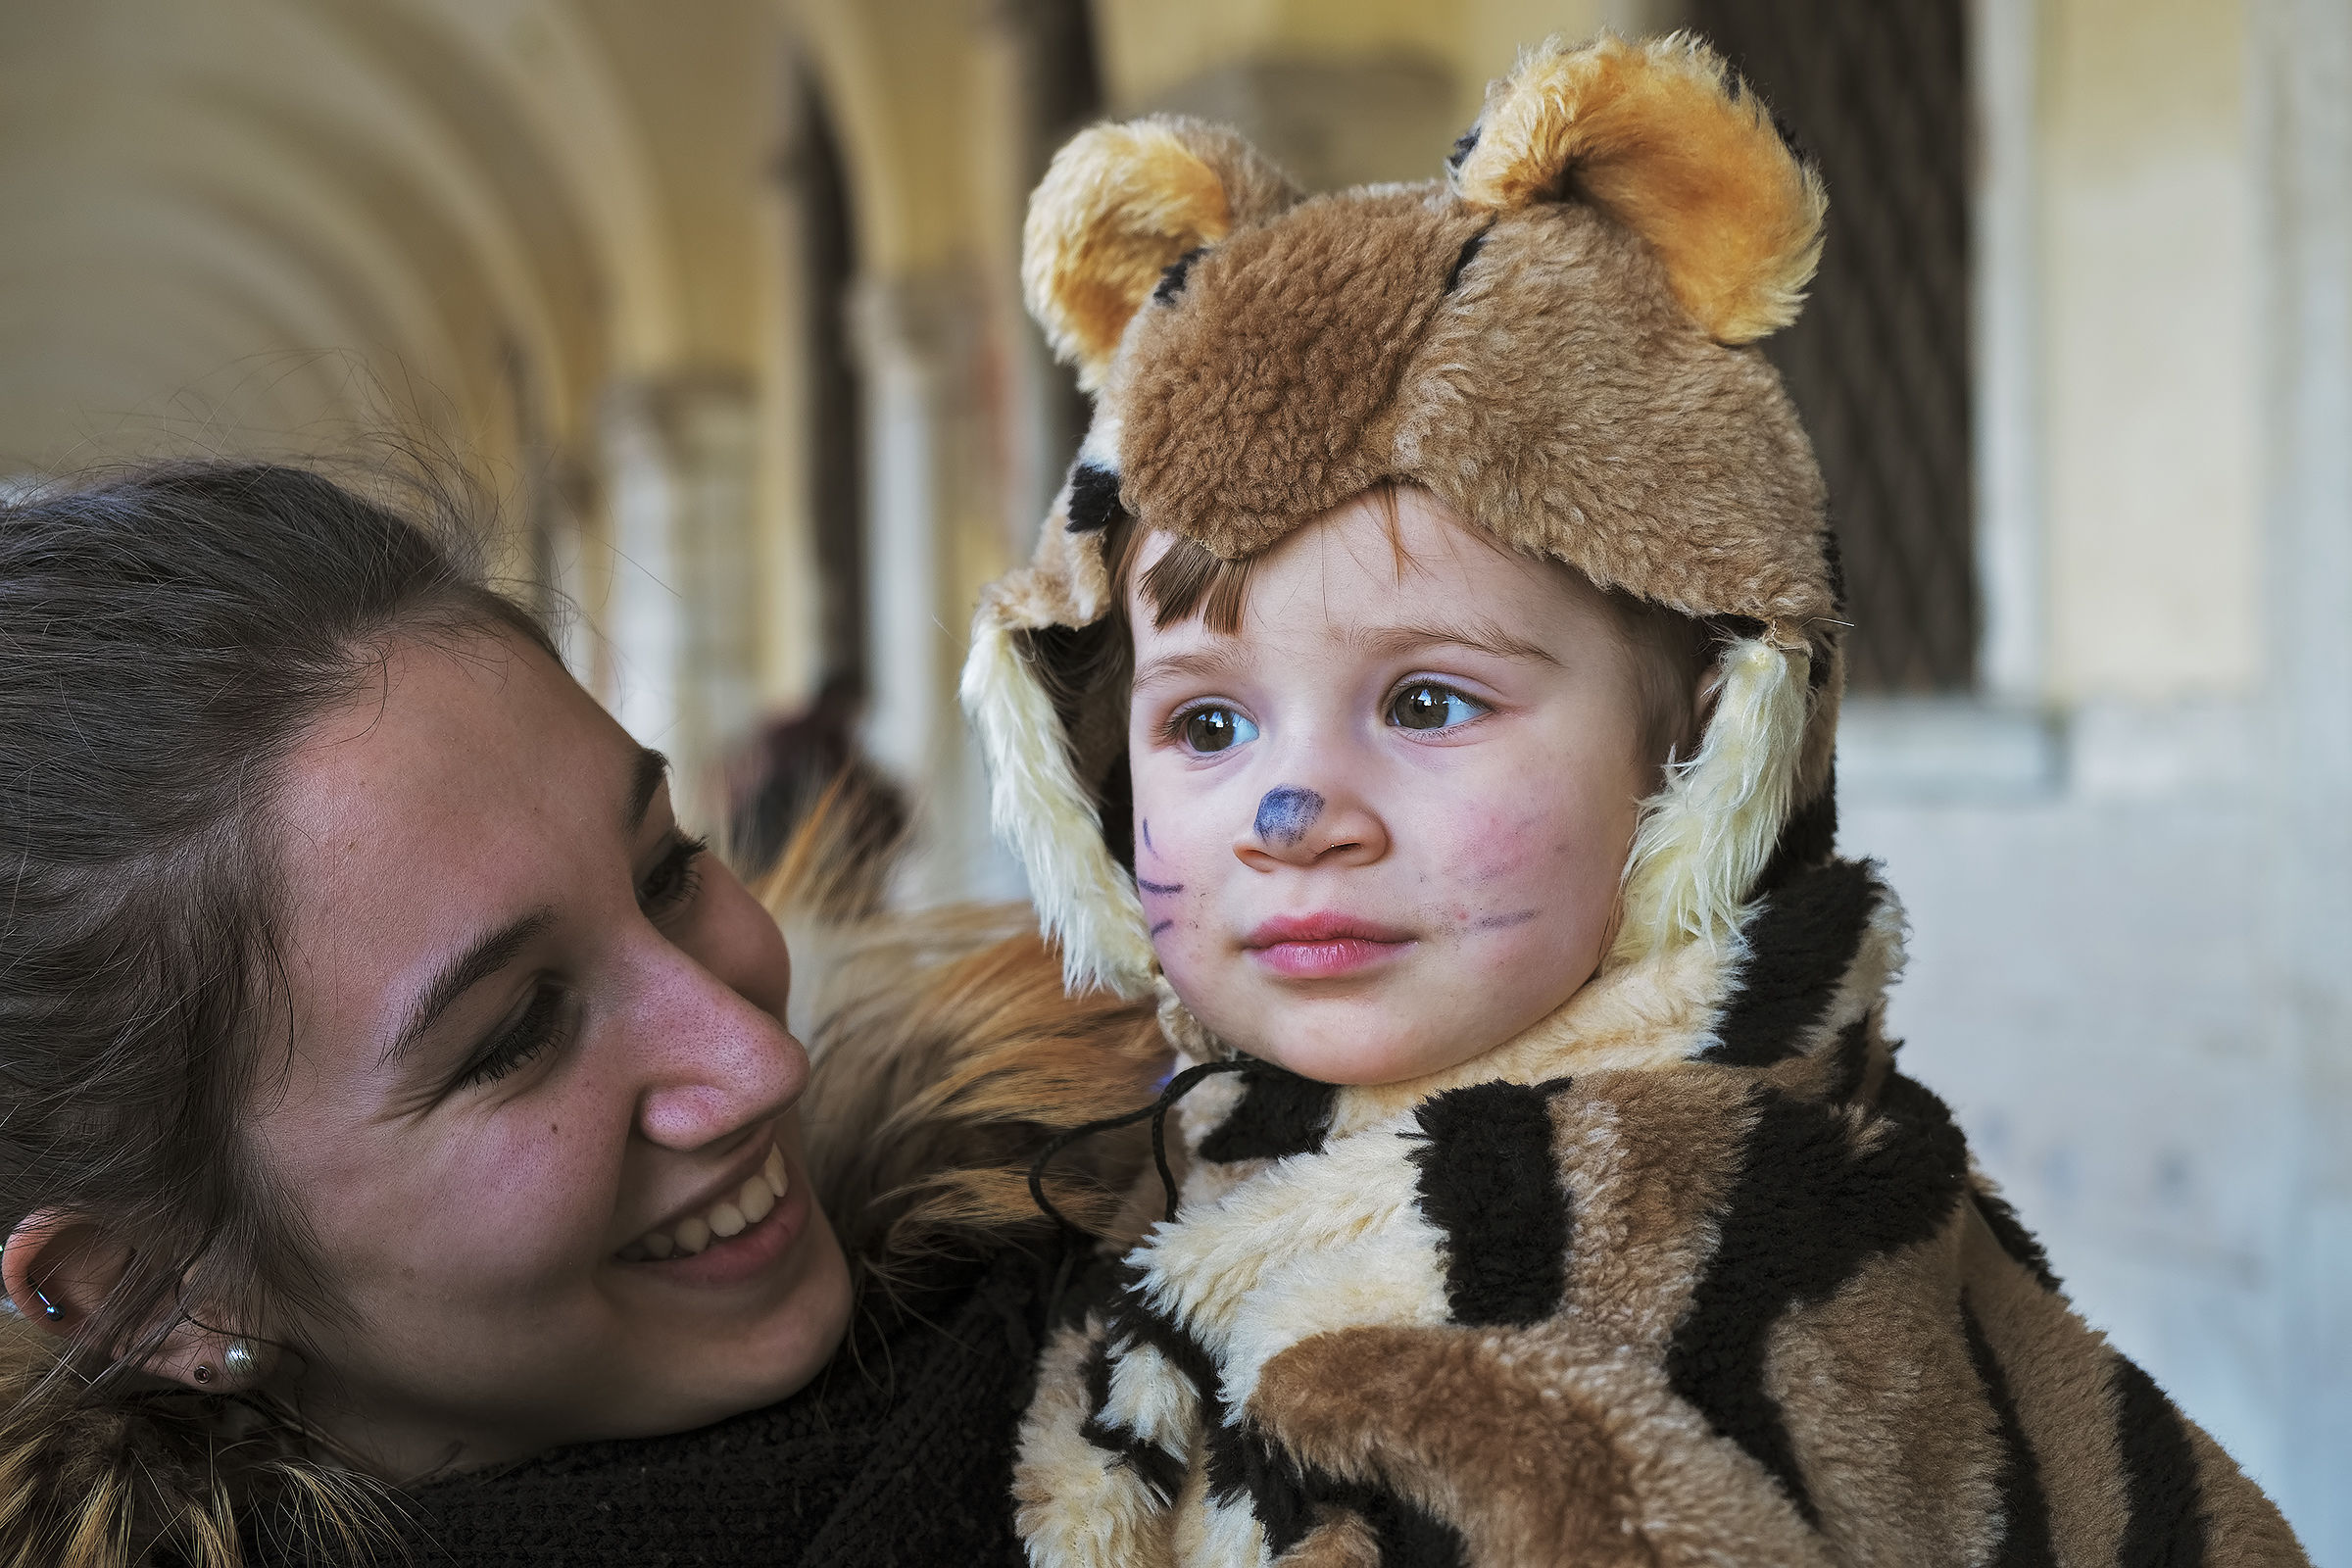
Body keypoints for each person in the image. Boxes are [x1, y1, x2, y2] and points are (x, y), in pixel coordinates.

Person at [960, 32, 2309, 1565]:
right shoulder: (1218, 1157)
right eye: (1206, 723)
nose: (1294, 813)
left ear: (1706, 751)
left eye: (1425, 702)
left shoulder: (1610, 1315)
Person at [0, 460, 1166, 1566]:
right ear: (156, 1292)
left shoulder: (1212, 1278)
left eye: (668, 871)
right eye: (514, 1036)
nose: (759, 1059)